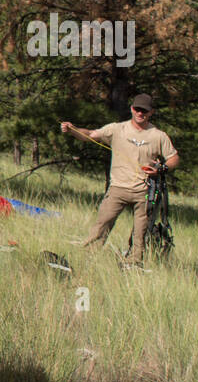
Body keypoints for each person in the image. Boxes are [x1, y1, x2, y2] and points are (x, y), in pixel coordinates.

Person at [61, 93, 179, 261]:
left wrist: (161, 169)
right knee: (101, 226)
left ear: (151, 112)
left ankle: (134, 264)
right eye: (137, 109)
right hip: (118, 189)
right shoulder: (117, 129)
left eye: (144, 111)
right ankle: (87, 260)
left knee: (141, 234)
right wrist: (73, 130)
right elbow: (91, 135)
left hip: (144, 192)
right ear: (132, 109)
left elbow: (174, 157)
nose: (140, 113)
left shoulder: (158, 135)